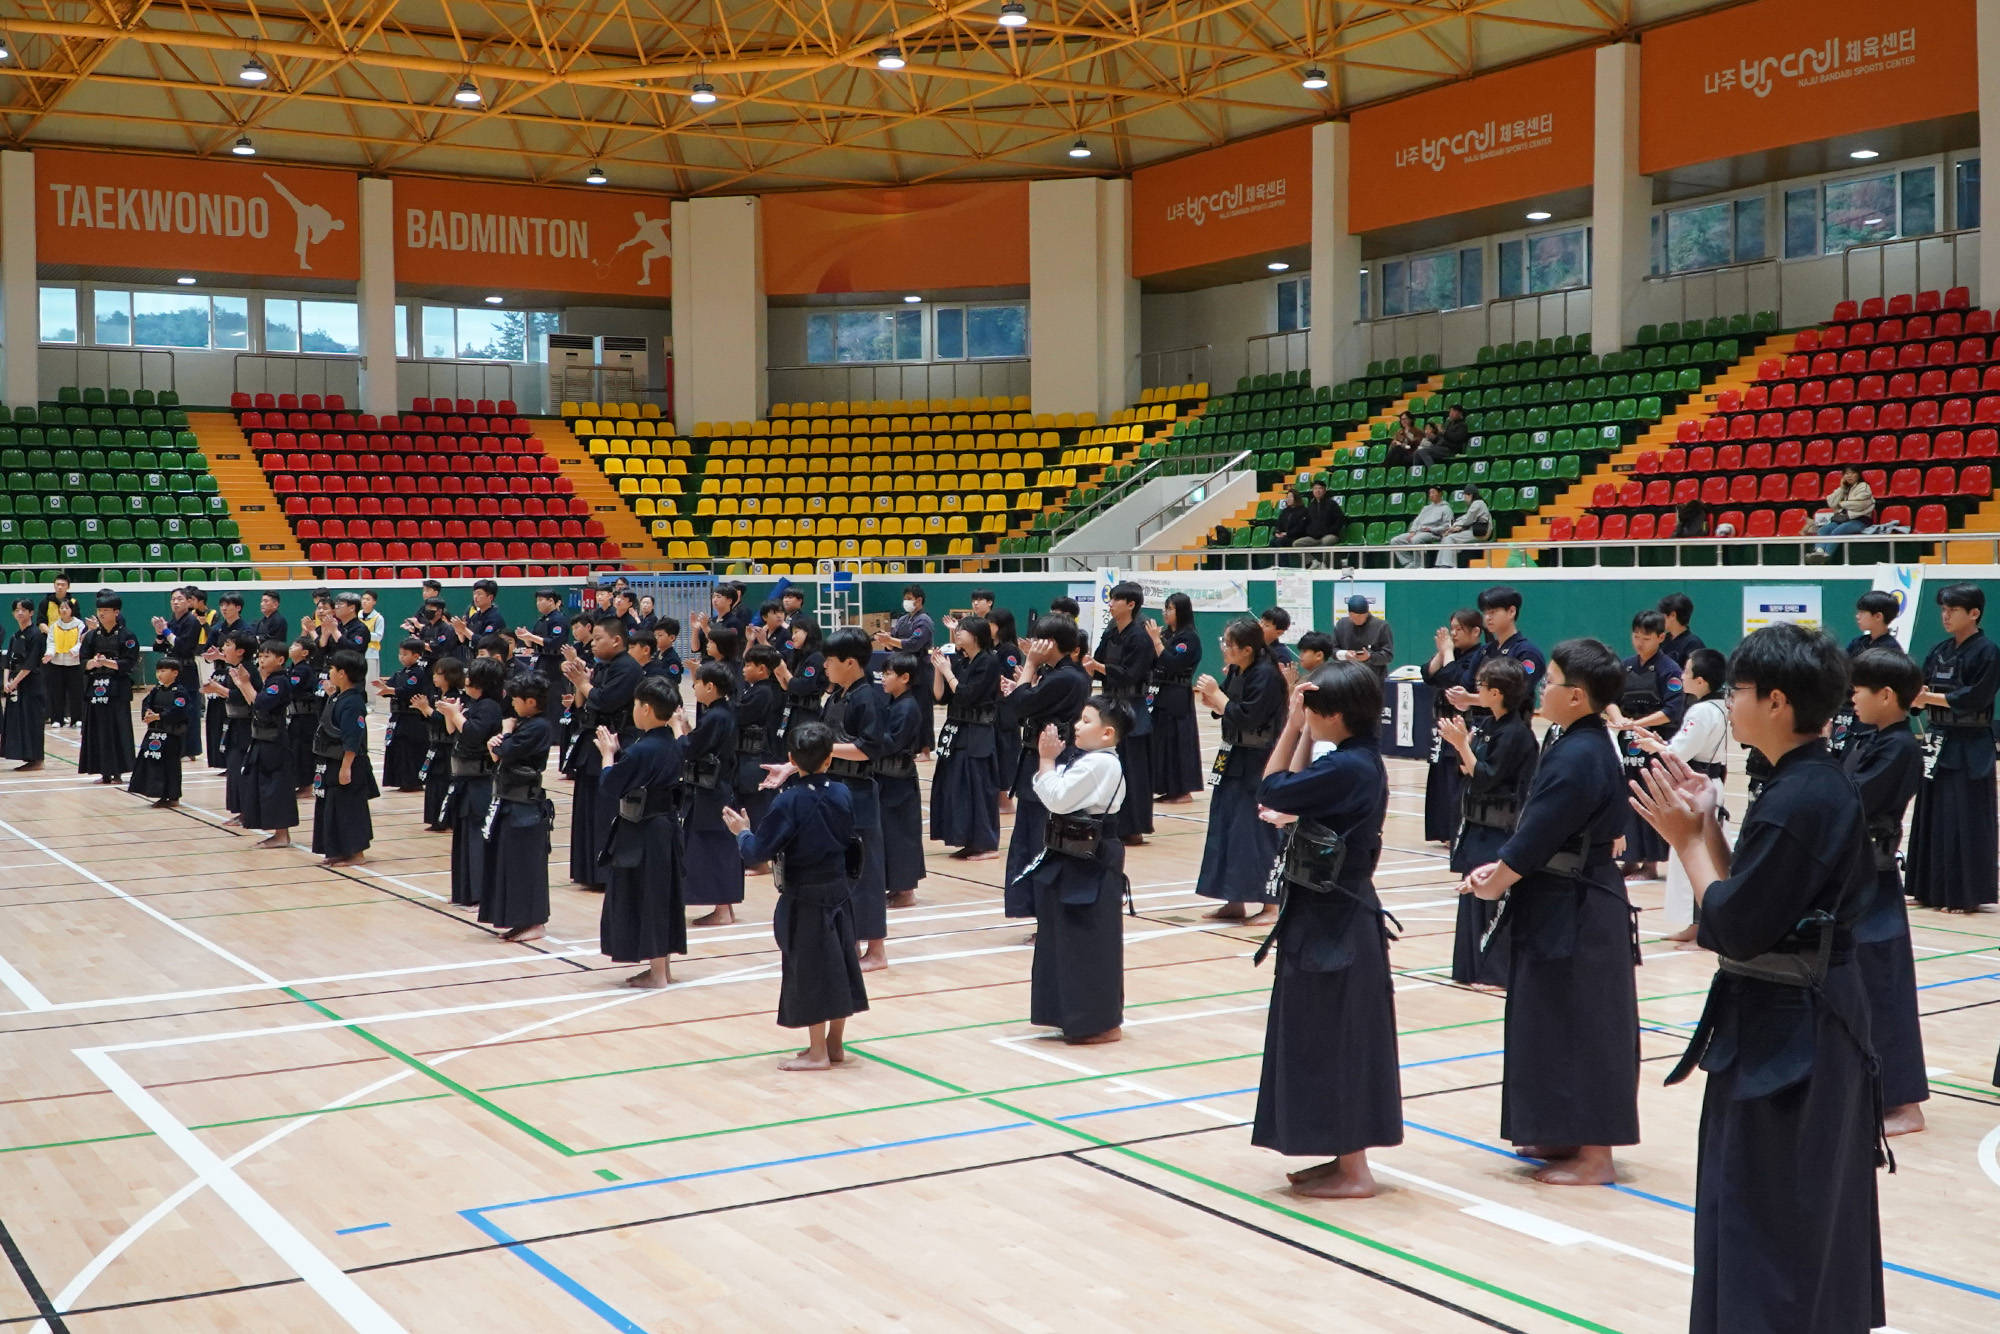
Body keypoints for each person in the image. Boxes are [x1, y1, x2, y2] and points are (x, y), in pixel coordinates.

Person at [1628, 623, 1885, 1334]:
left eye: (1738, 691)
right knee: (1758, 1208)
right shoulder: (1800, 783)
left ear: (1775, 701)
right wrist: (1708, 825)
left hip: (1795, 1035)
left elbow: (1733, 925)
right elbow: (1751, 896)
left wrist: (1683, 843)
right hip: (1790, 1019)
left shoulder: (1805, 796)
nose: (1729, 703)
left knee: (1774, 1216)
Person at [1459, 638, 1640, 1186]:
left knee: (1586, 1025)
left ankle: (1596, 1152)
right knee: (1551, 1023)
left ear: (1577, 697)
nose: (1542, 686)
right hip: (1559, 896)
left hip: (1580, 904)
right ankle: (1562, 1129)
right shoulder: (1569, 740)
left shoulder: (1582, 752)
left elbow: (1540, 831)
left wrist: (1500, 876)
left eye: (1552, 679)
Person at [1251, 662, 1403, 1199]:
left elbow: (1270, 788)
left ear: (1333, 715)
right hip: (1324, 912)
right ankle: (1341, 1156)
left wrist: (1291, 727)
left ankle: (1355, 1169)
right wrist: (1299, 732)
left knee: (1340, 1038)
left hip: (1338, 918)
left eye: (1312, 711)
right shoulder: (1349, 761)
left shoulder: (1350, 768)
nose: (1305, 719)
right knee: (1319, 1035)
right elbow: (1286, 792)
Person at [725, 721, 870, 1071]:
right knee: (841, 966)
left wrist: (741, 833)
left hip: (804, 896)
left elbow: (758, 851)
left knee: (810, 972)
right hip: (839, 890)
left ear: (791, 757)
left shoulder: (787, 802)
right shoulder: (842, 793)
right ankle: (834, 1046)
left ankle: (818, 1053)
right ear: (830, 760)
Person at [1843, 646, 1929, 1137]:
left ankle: (1905, 1103)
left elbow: (1852, 799)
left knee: (1884, 985)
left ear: (1887, 695)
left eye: (1858, 689)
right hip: (1855, 878)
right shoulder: (1868, 738)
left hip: (1876, 882)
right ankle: (1872, 1089)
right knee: (1863, 983)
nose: (1851, 697)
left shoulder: (1899, 747)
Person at [1023, 698, 1132, 1045]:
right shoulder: (1092, 761)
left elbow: (1056, 799)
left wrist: (1045, 760)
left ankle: (1098, 1023)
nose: (1078, 726)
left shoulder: (1099, 764)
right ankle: (1072, 1016)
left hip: (1090, 858)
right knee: (1069, 939)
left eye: (1086, 720)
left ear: (1108, 732)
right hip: (1075, 855)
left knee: (1088, 941)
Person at [793, 627, 892, 970]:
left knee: (866, 871)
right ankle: (847, 940)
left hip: (859, 794)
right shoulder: (837, 695)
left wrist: (823, 750)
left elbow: (869, 748)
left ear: (850, 662)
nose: (824, 667)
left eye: (830, 661)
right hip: (833, 790)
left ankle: (876, 951)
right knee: (840, 873)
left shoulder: (869, 697)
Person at [1437, 656, 1536, 990]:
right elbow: (1467, 769)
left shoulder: (1516, 733)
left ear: (1496, 693)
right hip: (1474, 824)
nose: (1475, 691)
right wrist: (1467, 753)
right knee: (1470, 893)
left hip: (1500, 827)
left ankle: (1496, 971)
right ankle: (1469, 967)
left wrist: (1463, 747)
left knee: (1493, 894)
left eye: (1480, 686)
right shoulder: (1487, 725)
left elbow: (1485, 777)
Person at [1906, 582, 1998, 913]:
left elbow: (1976, 697)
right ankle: (1927, 888)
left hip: (1970, 743)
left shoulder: (1988, 651)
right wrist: (1919, 698)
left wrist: (1928, 697)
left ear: (1973, 614)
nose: (1945, 616)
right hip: (1937, 738)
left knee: (1964, 816)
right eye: (1943, 610)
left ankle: (1962, 893)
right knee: (1930, 813)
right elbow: (1922, 688)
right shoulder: (1939, 650)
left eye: (1952, 610)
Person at [1632, 648, 1730, 947]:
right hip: (1709, 781)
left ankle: (1698, 925)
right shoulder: (1724, 706)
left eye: (1687, 672)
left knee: (1693, 857)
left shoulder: (1701, 710)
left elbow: (1679, 753)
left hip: (1695, 788)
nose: (1682, 676)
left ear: (1700, 681)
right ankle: (1700, 924)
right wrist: (1659, 743)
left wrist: (1657, 748)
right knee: (1709, 855)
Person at [596, 677, 689, 988]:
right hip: (666, 827)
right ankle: (662, 969)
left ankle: (658, 975)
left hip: (644, 830)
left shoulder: (643, 750)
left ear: (646, 709)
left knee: (648, 898)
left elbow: (610, 786)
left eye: (636, 705)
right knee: (662, 897)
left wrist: (608, 755)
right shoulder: (673, 743)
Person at [1193, 617, 1287, 924]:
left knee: (1256, 831)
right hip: (1233, 756)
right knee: (1228, 827)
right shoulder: (1237, 670)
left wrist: (1219, 699)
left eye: (1228, 644)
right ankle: (1234, 898)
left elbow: (1247, 716)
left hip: (1259, 761)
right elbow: (1221, 704)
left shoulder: (1266, 676)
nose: (1224, 648)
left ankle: (1271, 904)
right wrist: (1213, 697)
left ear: (1247, 649)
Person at [999, 615, 1092, 919]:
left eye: (1039, 639)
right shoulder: (1062, 674)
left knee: (1041, 839)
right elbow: (1027, 701)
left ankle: (1047, 915)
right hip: (1039, 761)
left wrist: (1029, 666)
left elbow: (1019, 708)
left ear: (1050, 643)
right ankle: (1036, 911)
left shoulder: (1066, 676)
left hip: (1052, 761)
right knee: (1030, 838)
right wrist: (1023, 686)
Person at [561, 621, 643, 890]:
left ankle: (605, 873)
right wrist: (578, 681)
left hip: (615, 744)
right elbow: (585, 701)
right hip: (592, 742)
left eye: (598, 638)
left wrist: (584, 683)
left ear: (617, 641)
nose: (593, 643)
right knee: (587, 808)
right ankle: (587, 870)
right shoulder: (605, 667)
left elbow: (605, 700)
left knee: (605, 808)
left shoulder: (627, 668)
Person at [1609, 610, 1687, 881]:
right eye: (1636, 636)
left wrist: (1639, 722)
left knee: (1651, 798)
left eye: (1646, 637)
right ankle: (1629, 859)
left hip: (1654, 742)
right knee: (1627, 797)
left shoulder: (1669, 669)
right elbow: (1610, 698)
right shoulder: (1627, 666)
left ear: (1660, 637)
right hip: (1627, 743)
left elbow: (1673, 709)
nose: (1639, 642)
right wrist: (1619, 719)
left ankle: (1651, 863)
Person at [480, 674, 556, 944]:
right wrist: (500, 746)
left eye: (515, 699)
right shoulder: (525, 723)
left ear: (531, 701)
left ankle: (535, 921)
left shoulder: (539, 727)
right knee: (510, 864)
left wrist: (506, 734)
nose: (511, 704)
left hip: (527, 807)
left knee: (527, 866)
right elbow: (498, 752)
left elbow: (507, 750)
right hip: (508, 802)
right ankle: (518, 919)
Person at [1084, 582, 1156, 845]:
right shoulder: (1112, 630)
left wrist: (1099, 667)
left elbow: (1132, 672)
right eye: (1111, 599)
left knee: (1132, 771)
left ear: (1131, 604)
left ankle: (1134, 827)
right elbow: (1099, 659)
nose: (1111, 603)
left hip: (1133, 707)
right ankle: (1111, 822)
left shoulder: (1140, 636)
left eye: (1116, 600)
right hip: (1110, 703)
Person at [930, 617, 1002, 859]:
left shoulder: (989, 662)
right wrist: (938, 671)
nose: (957, 634)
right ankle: (967, 839)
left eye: (963, 631)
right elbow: (941, 697)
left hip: (979, 732)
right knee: (957, 787)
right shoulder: (962, 661)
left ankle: (988, 844)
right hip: (957, 730)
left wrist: (947, 671)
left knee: (979, 788)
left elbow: (966, 694)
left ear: (977, 635)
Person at [438, 659, 505, 909]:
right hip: (464, 778)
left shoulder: (489, 707)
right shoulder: (473, 704)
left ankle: (479, 894)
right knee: (464, 836)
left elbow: (475, 734)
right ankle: (464, 891)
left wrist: (456, 714)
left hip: (481, 780)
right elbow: (453, 731)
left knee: (478, 836)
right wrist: (451, 713)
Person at [680, 661, 743, 927]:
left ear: (710, 686)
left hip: (713, 790)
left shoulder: (718, 715)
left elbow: (691, 748)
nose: (693, 686)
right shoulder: (718, 713)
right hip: (712, 788)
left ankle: (723, 909)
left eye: (697, 682)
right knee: (712, 849)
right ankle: (723, 907)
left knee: (715, 849)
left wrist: (677, 728)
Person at [1421, 610, 1484, 844]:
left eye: (1459, 629)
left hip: (1464, 725)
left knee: (1456, 776)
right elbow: (1428, 675)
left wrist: (1447, 652)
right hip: (1442, 724)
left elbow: (1455, 680)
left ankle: (1457, 829)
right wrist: (1442, 652)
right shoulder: (1452, 653)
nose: (1454, 634)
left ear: (1476, 631)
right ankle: (1442, 830)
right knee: (1440, 778)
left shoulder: (1480, 655)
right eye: (1452, 628)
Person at [311, 649, 377, 867]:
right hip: (331, 761)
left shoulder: (353, 702)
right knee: (333, 807)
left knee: (350, 808)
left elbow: (353, 736)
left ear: (343, 673)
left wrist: (346, 766)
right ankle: (338, 849)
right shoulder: (340, 696)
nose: (329, 671)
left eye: (332, 668)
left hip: (347, 763)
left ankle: (356, 853)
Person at [236, 640, 299, 848]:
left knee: (276, 787)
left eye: (267, 657)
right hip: (262, 738)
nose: (261, 661)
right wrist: (242, 684)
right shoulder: (269, 680)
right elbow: (254, 705)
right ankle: (276, 833)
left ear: (280, 660)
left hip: (275, 741)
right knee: (263, 785)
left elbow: (262, 704)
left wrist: (245, 684)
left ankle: (281, 835)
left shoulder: (279, 682)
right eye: (260, 656)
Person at [877, 653, 928, 905]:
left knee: (901, 836)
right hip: (888, 779)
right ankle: (897, 887)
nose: (883, 678)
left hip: (900, 780)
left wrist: (868, 738)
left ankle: (906, 891)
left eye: (888, 674)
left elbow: (892, 742)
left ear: (905, 677)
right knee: (890, 833)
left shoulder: (907, 707)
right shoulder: (893, 702)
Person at [1830, 590, 1903, 757]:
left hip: (1869, 714)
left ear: (1878, 616)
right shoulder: (1857, 643)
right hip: (1846, 711)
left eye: (1862, 612)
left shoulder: (1891, 649)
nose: (1857, 616)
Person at [1147, 593, 1202, 805]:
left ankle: (1183, 790)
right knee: (1163, 742)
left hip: (1177, 695)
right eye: (1165, 608)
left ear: (1181, 611)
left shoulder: (1188, 638)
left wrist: (1155, 641)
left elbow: (1172, 663)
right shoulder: (1168, 635)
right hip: (1160, 692)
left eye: (1170, 609)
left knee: (1178, 742)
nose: (1165, 612)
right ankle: (1167, 788)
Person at [78, 596, 139, 784]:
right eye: (99, 610)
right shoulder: (91, 636)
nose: (102, 613)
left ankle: (119, 771)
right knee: (98, 729)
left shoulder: (127, 636)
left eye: (106, 609)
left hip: (117, 687)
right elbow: (82, 662)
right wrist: (93, 663)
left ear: (116, 612)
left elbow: (129, 663)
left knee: (118, 728)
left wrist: (107, 662)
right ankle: (103, 771)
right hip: (96, 687)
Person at [203, 631, 257, 820]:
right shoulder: (232, 668)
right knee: (233, 769)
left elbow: (243, 697)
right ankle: (241, 810)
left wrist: (218, 689)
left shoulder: (247, 669)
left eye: (228, 644)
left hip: (247, 726)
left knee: (241, 768)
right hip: (234, 723)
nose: (224, 648)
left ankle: (247, 812)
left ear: (240, 651)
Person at [876, 585, 937, 751]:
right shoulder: (903, 620)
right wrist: (886, 641)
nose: (906, 601)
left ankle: (925, 748)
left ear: (919, 600)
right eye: (906, 598)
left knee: (923, 709)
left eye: (910, 598)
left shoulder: (924, 621)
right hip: (901, 669)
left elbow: (913, 644)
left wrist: (891, 640)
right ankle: (906, 745)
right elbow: (894, 642)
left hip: (920, 670)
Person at [127, 658, 193, 809]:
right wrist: (148, 713)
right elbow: (146, 703)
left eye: (163, 671)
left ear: (175, 673)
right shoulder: (157, 689)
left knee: (170, 765)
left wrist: (160, 716)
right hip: (155, 732)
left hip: (171, 735)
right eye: (158, 671)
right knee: (153, 761)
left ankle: (173, 796)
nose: (159, 674)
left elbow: (179, 710)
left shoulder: (180, 692)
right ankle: (160, 793)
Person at [735, 643, 785, 838]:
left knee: (757, 807)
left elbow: (738, 716)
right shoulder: (761, 689)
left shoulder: (764, 692)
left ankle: (759, 857)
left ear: (762, 669)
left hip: (758, 757)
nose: (744, 669)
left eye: (748, 665)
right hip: (756, 756)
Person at [414, 656, 464, 831]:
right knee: (433, 783)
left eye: (439, 674)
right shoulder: (436, 694)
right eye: (434, 673)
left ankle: (447, 820)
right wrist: (424, 710)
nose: (435, 677)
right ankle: (435, 819)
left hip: (448, 746)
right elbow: (431, 720)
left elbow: (446, 722)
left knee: (445, 782)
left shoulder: (455, 697)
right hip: (435, 744)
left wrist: (427, 709)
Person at [375, 638, 431, 792]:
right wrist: (384, 689)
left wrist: (390, 690)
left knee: (410, 750)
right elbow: (390, 687)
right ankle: (399, 779)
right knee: (397, 747)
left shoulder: (419, 673)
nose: (401, 657)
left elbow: (408, 690)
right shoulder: (400, 673)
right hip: (397, 716)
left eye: (405, 654)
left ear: (416, 656)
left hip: (412, 717)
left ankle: (412, 781)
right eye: (400, 654)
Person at [2, 598, 47, 770]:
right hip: (16, 685)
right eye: (17, 610)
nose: (20, 613)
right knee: (19, 721)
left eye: (23, 610)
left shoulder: (36, 635)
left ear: (31, 613)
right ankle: (26, 757)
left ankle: (37, 759)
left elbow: (30, 664)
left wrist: (14, 682)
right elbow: (8, 662)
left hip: (31, 686)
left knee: (32, 721)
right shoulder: (15, 636)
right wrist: (6, 681)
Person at [203, 592, 247, 766]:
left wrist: (220, 656)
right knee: (216, 718)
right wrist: (211, 656)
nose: (224, 609)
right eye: (222, 605)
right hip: (219, 674)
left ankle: (234, 760)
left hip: (236, 674)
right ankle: (220, 761)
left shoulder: (245, 629)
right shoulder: (218, 628)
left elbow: (245, 655)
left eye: (228, 605)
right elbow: (207, 652)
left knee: (231, 717)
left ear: (238, 608)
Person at [989, 608, 1025, 814]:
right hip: (993, 708)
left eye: (991, 623)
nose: (987, 627)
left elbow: (1008, 679)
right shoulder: (991, 648)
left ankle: (1006, 800)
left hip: (1004, 710)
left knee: (1005, 752)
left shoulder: (1009, 651)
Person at [1808, 465, 1875, 563]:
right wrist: (1842, 488)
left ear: (1858, 475)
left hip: (1860, 520)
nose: (1849, 476)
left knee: (1837, 531)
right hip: (1842, 519)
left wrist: (1841, 504)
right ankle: (1819, 552)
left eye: (1852, 473)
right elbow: (1831, 502)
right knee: (1823, 530)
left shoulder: (1864, 486)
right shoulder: (1844, 488)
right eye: (1847, 473)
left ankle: (1826, 556)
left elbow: (1860, 504)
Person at [284, 638, 322, 794]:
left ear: (305, 652)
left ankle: (307, 785)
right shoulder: (292, 667)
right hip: (295, 716)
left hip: (306, 717)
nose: (291, 647)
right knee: (295, 750)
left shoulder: (303, 669)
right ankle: (299, 782)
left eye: (296, 646)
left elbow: (291, 686)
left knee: (304, 751)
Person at [1330, 595, 1393, 682]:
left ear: (1367, 613)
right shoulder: (1342, 625)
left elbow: (1388, 655)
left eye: (1360, 616)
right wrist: (1345, 654)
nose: (1357, 619)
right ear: (1349, 614)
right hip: (1347, 677)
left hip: (1373, 678)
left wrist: (1369, 657)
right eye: (1353, 616)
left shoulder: (1381, 626)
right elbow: (1333, 649)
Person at [43, 598, 85, 727]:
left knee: (76, 693)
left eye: (67, 608)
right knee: (57, 692)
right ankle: (57, 719)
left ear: (72, 610)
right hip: (57, 664)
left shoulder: (80, 625)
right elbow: (51, 642)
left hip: (74, 664)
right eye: (61, 608)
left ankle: (77, 718)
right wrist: (49, 653)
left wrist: (75, 650)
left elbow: (81, 641)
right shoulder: (54, 626)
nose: (64, 610)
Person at [1390, 486, 1454, 567]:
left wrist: (1431, 529)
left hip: (1433, 534)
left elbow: (1448, 526)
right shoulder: (1426, 508)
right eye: (1430, 493)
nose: (1431, 495)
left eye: (1434, 492)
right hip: (1419, 532)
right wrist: (1413, 531)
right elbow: (1417, 521)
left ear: (1440, 493)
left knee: (1415, 540)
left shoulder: (1447, 509)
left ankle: (1419, 565)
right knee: (1395, 541)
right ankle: (1410, 563)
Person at [1435, 484, 1493, 567]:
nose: (1465, 498)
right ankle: (1440, 564)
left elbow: (1468, 519)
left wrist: (1453, 527)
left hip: (1480, 532)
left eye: (1465, 495)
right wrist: (1454, 526)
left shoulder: (1477, 503)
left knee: (1450, 538)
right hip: (1474, 530)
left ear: (1470, 495)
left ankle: (1448, 565)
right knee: (1446, 537)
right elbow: (1465, 518)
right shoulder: (1475, 503)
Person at [455, 579, 507, 655]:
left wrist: (465, 630)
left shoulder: (494, 618)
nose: (475, 597)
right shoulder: (474, 617)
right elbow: (468, 641)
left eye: (479, 594)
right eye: (474, 593)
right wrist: (461, 633)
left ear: (490, 597)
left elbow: (485, 642)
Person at [1657, 592, 1705, 668]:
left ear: (1673, 615)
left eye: (1661, 615)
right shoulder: (1662, 640)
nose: (1659, 619)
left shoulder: (1693, 644)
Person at [1298, 480, 1346, 549]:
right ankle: (1312, 560)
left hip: (1330, 535)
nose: (1318, 491)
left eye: (1320, 488)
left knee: (1326, 541)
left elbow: (1340, 520)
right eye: (1315, 488)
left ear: (1324, 490)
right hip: (1314, 537)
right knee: (1298, 543)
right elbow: (1307, 522)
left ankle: (1325, 560)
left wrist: (1331, 531)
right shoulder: (1310, 506)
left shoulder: (1332, 504)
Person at [359, 590, 386, 702]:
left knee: (370, 679)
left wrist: (364, 635)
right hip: (358, 651)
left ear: (374, 602)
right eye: (363, 599)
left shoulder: (378, 618)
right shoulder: (357, 615)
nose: (365, 601)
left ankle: (371, 703)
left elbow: (378, 636)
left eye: (368, 599)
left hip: (371, 652)